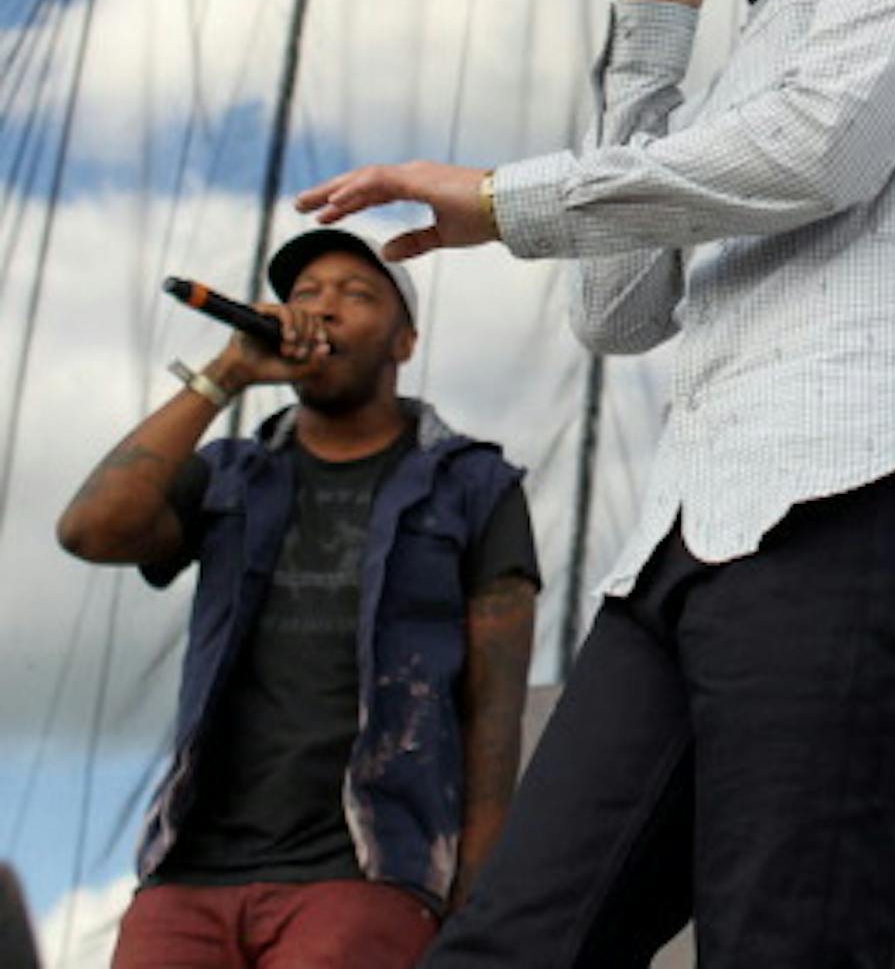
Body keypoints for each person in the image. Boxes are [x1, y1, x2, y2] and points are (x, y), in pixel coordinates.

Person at [292, 0, 895, 966]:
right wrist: (652, 42)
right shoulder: (736, 58)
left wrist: (503, 197)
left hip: (855, 501)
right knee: (514, 943)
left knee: (779, 939)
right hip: (685, 544)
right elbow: (620, 310)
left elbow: (821, 152)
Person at [56, 229, 540, 968]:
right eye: (306, 295)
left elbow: (495, 709)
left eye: (356, 295)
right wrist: (226, 373)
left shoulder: (474, 486)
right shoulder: (229, 473)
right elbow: (91, 529)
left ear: (404, 343)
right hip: (187, 875)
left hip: (366, 875)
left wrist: (476, 896)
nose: (324, 310)